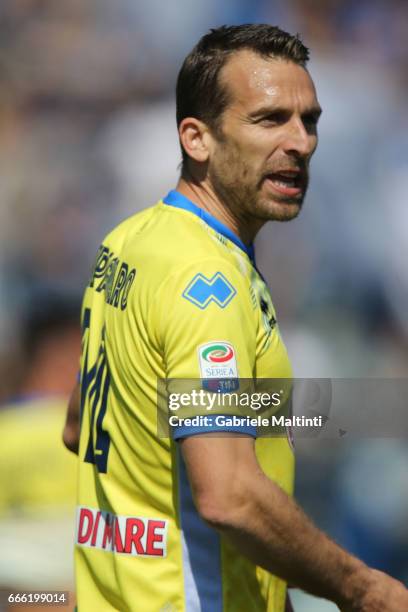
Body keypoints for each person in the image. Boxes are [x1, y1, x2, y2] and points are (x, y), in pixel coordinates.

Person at [64, 24, 408, 611]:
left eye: (310, 121)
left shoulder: (130, 242)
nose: (300, 142)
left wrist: (350, 407)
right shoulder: (210, 285)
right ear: (197, 138)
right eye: (270, 119)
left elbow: (85, 421)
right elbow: (229, 496)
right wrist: (363, 588)